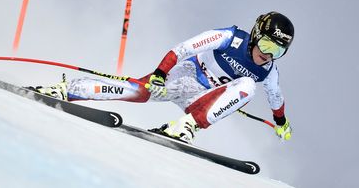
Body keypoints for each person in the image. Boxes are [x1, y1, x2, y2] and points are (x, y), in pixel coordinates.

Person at [34, 11, 294, 144]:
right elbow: (185, 48)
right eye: (268, 46)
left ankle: (187, 126)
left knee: (249, 86)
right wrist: (161, 72)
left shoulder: (268, 71)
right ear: (256, 35)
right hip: (186, 75)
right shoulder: (231, 37)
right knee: (135, 91)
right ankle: (67, 89)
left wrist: (280, 122)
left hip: (202, 100)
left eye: (279, 51)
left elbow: (275, 97)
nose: (269, 55)